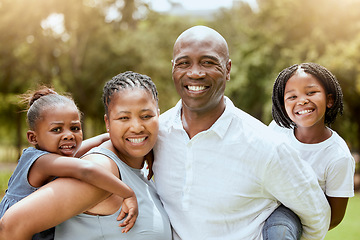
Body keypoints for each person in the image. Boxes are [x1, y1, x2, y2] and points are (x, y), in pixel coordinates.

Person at [152, 25, 331, 240]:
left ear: (227, 70)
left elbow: (317, 215)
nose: (195, 73)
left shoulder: (266, 146)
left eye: (208, 62)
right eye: (184, 63)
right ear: (173, 68)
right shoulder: (155, 134)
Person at [0, 72, 171, 240]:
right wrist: (127, 193)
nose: (136, 127)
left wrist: (137, 143)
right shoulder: (96, 168)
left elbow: (85, 147)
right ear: (108, 123)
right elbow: (11, 226)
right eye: (124, 117)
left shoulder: (67, 156)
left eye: (146, 116)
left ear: (158, 115)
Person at [263, 63, 355, 239]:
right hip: (261, 206)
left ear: (329, 100)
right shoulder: (276, 130)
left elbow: (334, 217)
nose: (302, 100)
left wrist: (300, 230)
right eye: (292, 96)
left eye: (311, 93)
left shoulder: (338, 156)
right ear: (283, 106)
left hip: (293, 218)